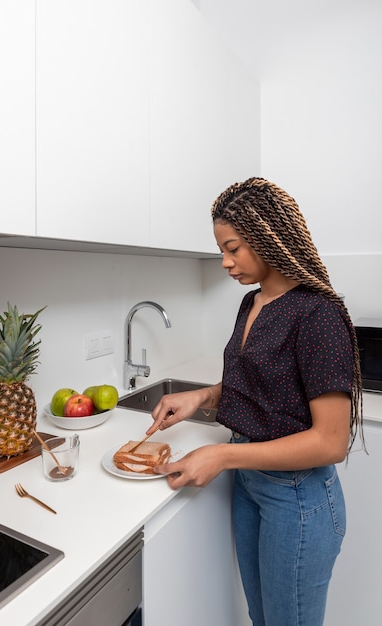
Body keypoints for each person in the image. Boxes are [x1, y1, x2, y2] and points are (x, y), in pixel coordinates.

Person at [149, 177, 364, 626]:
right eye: (222, 251)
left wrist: (223, 454)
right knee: (263, 618)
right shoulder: (252, 303)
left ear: (269, 237)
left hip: (298, 498)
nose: (226, 262)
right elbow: (264, 384)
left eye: (234, 248)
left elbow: (330, 442)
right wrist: (202, 396)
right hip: (250, 486)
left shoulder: (318, 314)